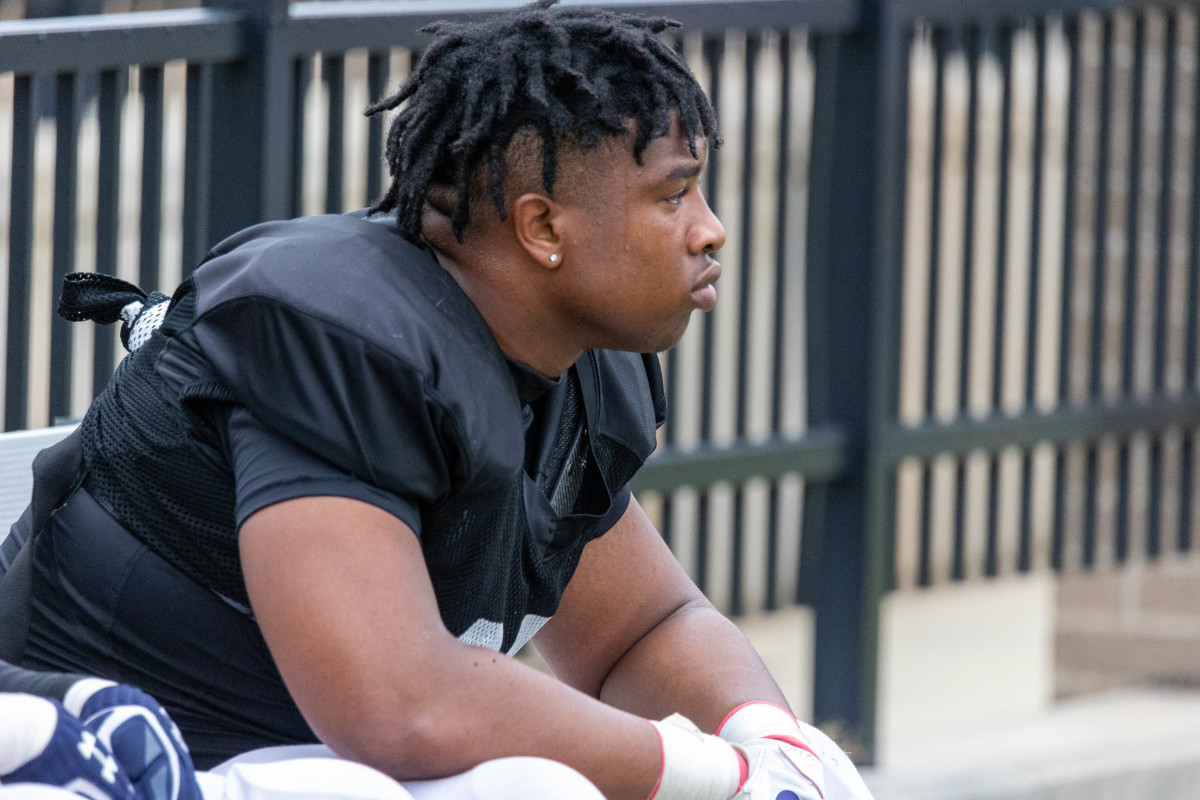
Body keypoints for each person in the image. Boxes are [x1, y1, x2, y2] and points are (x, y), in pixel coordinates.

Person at [0, 1, 876, 798]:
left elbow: (642, 630)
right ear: (541, 229)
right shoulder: (340, 333)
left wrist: (768, 742)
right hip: (129, 757)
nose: (709, 227)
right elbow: (397, 705)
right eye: (674, 193)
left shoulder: (565, 366)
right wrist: (711, 774)